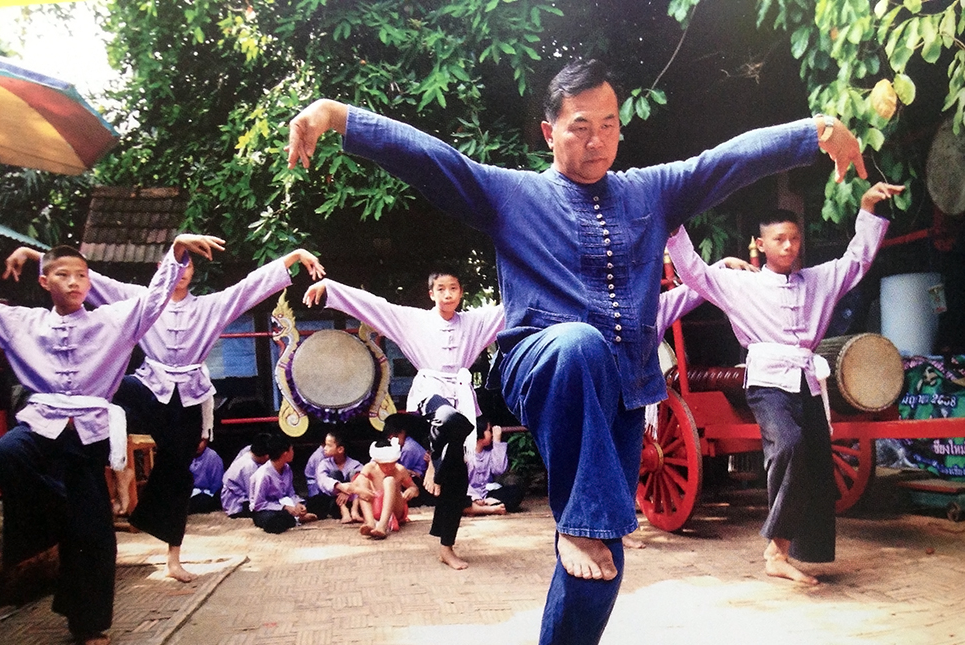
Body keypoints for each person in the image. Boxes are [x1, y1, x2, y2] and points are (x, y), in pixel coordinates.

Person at [285, 58, 866, 644]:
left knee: (603, 564)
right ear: (549, 132)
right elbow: (434, 160)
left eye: (610, 125)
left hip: (621, 393)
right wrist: (340, 118)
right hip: (541, 365)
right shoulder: (512, 194)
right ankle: (579, 523)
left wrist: (812, 131)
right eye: (581, 127)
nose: (598, 141)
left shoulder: (650, 192)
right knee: (579, 347)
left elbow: (724, 162)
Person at [3, 244, 324, 580]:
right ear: (164, 267)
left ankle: (173, 557)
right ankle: (104, 480)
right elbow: (81, 277)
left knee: (176, 472)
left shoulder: (209, 306)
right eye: (177, 263)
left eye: (189, 266)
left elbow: (248, 288)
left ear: (194, 272)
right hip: (147, 387)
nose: (183, 270)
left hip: (186, 398)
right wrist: (31, 254)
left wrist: (294, 257)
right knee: (102, 389)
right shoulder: (136, 296)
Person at [665, 181, 903, 585]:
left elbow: (857, 261)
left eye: (794, 239)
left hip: (807, 380)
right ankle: (774, 551)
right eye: (779, 240)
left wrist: (866, 209)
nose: (789, 247)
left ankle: (793, 550)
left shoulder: (820, 280)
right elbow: (694, 272)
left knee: (813, 461)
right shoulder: (742, 285)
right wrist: (672, 226)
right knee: (788, 445)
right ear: (761, 243)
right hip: (766, 380)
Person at [0, 234, 221, 645]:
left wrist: (176, 252)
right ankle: (55, 525)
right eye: (62, 275)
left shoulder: (112, 320)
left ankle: (88, 625)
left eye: (81, 275)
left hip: (88, 437)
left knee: (96, 535)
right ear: (45, 282)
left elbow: (153, 300)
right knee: (6, 452)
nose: (74, 282)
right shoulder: (21, 322)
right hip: (41, 428)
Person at [303, 270, 504, 569]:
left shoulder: (474, 323)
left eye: (453, 288)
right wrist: (330, 287)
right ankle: (433, 463)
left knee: (457, 477)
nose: (447, 294)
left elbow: (509, 307)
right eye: (441, 288)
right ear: (431, 293)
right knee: (450, 420)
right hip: (430, 396)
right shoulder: (414, 320)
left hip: (460, 398)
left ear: (461, 292)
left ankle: (446, 547)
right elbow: (376, 306)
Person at [353, 435, 419, 539]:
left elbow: (415, 489)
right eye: (384, 464)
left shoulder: (400, 470)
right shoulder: (370, 468)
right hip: (375, 505)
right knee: (362, 481)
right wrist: (360, 490)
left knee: (389, 480)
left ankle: (382, 526)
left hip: (396, 508)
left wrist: (412, 490)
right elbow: (355, 484)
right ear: (377, 462)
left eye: (391, 463)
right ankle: (370, 522)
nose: (388, 467)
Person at [249, 433, 318, 533]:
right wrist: (285, 508)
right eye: (291, 450)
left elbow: (290, 493)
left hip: (284, 502)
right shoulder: (264, 475)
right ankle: (296, 519)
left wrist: (297, 504)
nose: (293, 452)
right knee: (274, 522)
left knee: (316, 503)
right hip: (266, 509)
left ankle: (296, 517)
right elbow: (259, 504)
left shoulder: (287, 468)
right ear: (285, 453)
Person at [465, 415, 521, 514]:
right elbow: (461, 482)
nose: (491, 434)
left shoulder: (489, 452)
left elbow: (499, 470)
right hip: (468, 493)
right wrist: (475, 497)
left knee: (516, 491)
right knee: (456, 498)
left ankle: (481, 507)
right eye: (489, 430)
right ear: (479, 434)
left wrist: (497, 442)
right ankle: (491, 509)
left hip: (487, 495)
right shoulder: (465, 455)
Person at [304, 430, 364, 523]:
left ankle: (354, 510)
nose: (325, 448)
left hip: (354, 500)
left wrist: (348, 492)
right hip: (336, 503)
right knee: (334, 474)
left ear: (340, 449)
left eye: (329, 445)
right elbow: (322, 479)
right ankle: (344, 511)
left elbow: (364, 479)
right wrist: (340, 487)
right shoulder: (324, 464)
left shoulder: (355, 464)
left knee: (357, 475)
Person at [384, 414, 433, 506]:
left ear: (402, 433)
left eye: (395, 436)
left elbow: (401, 471)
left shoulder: (409, 448)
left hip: (418, 480)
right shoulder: (404, 445)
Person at [221, 432, 271, 518]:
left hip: (240, 494)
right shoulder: (249, 468)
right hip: (236, 503)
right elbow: (254, 496)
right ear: (266, 456)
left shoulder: (247, 451)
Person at [188, 438, 224, 514]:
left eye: (201, 441)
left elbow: (217, 484)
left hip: (206, 494)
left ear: (206, 441)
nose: (198, 445)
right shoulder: (185, 453)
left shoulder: (213, 456)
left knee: (203, 501)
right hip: (188, 493)